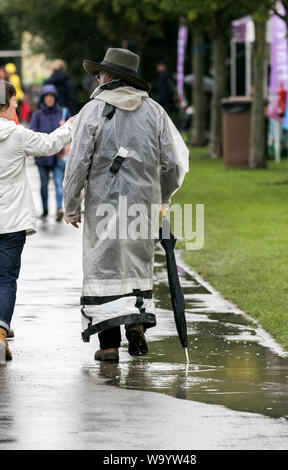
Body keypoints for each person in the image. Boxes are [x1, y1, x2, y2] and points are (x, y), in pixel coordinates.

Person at [63, 48, 189, 362]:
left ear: (108, 77)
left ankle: (108, 345)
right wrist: (163, 195)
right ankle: (137, 325)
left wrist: (71, 205)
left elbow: (77, 163)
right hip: (142, 205)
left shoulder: (92, 112)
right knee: (136, 266)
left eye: (99, 73)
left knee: (103, 269)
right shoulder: (155, 112)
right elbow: (174, 161)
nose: (96, 78)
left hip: (103, 205)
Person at [0, 80, 75, 361]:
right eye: (14, 101)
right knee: (6, 278)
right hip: (12, 219)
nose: (17, 105)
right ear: (5, 106)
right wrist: (70, 126)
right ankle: (1, 332)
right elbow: (49, 144)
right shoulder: (17, 135)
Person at [30, 84, 72, 221]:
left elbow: (72, 129)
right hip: (42, 157)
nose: (49, 99)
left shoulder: (62, 112)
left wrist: (63, 126)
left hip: (58, 156)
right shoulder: (37, 114)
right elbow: (32, 132)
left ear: (55, 98)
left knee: (59, 183)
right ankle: (45, 210)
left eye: (51, 96)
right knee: (43, 185)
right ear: (43, 98)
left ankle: (59, 208)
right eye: (47, 96)